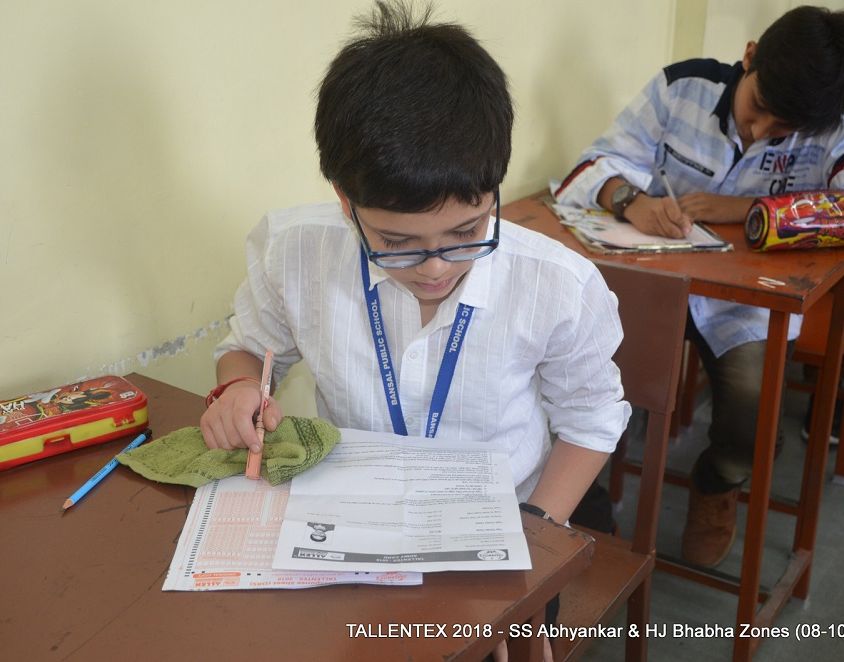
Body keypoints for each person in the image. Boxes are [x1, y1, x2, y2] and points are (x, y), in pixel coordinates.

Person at [200, 2, 630, 657]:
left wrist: (532, 535)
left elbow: (592, 419)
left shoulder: (557, 286)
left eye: (466, 231)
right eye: (396, 243)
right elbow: (249, 352)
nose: (435, 267)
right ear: (345, 200)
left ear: (493, 188)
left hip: (504, 522)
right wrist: (237, 390)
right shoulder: (296, 253)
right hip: (353, 524)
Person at [555, 5, 844, 568]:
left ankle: (718, 482)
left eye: (780, 130)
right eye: (758, 107)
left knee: (752, 411)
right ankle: (583, 503)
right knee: (579, 377)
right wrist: (630, 200)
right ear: (750, 56)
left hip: (749, 303)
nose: (758, 131)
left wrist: (746, 208)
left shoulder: (829, 123)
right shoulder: (681, 86)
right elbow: (594, 164)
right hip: (655, 284)